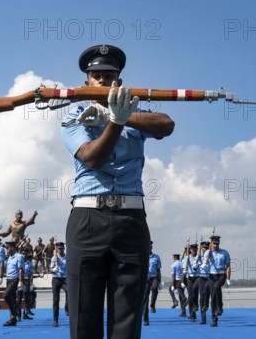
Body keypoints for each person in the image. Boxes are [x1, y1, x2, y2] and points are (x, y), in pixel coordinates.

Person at [60, 44, 175, 339]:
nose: (103, 80)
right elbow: (92, 157)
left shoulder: (132, 110)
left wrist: (121, 115)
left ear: (119, 82)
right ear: (87, 82)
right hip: (88, 217)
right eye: (96, 75)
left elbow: (166, 124)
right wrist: (115, 122)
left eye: (109, 75)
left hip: (130, 218)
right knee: (83, 314)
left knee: (128, 316)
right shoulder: (73, 115)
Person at [203, 235, 231, 327]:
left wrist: (228, 278)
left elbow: (228, 266)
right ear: (211, 243)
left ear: (219, 243)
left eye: (217, 243)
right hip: (211, 276)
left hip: (221, 275)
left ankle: (220, 307)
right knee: (213, 298)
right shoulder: (207, 253)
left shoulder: (225, 252)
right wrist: (205, 262)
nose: (215, 244)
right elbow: (205, 264)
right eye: (214, 243)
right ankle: (214, 319)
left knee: (216, 287)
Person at [2, 241, 23, 326]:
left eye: (7, 248)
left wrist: (20, 282)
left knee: (6, 295)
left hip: (14, 280)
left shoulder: (19, 257)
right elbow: (5, 268)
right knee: (13, 299)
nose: (6, 249)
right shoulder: (9, 257)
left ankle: (15, 311)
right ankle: (13, 319)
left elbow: (20, 270)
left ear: (12, 248)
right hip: (8, 279)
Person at [142, 241, 161, 326]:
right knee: (144, 300)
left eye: (149, 247)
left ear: (151, 248)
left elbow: (158, 270)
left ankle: (152, 305)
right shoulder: (141, 257)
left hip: (154, 277)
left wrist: (159, 281)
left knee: (154, 288)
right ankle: (146, 320)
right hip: (145, 279)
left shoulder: (156, 257)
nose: (148, 248)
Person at [50, 241, 69, 327]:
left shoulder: (68, 258)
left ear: (64, 249)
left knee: (69, 292)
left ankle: (67, 308)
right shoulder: (54, 258)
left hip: (65, 279)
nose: (60, 250)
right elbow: (50, 269)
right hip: (56, 279)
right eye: (58, 249)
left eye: (61, 248)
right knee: (55, 300)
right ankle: (55, 319)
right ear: (56, 249)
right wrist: (53, 269)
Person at [183, 244, 200, 322]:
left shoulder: (199, 257)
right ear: (190, 250)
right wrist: (183, 281)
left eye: (195, 250)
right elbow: (184, 269)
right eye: (193, 250)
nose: (194, 251)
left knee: (195, 291)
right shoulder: (187, 258)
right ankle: (192, 315)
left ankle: (196, 305)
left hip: (197, 277)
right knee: (190, 296)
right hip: (189, 278)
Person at [18, 249, 35, 320]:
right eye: (23, 254)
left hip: (26, 280)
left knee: (26, 296)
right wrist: (19, 282)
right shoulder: (18, 261)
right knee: (18, 299)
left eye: (25, 254)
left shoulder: (30, 263)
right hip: (19, 280)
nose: (24, 255)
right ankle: (18, 316)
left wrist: (31, 284)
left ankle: (25, 313)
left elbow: (31, 274)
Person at [197, 241, 211, 325]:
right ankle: (203, 318)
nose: (205, 249)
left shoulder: (210, 256)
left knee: (208, 293)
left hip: (209, 277)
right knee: (201, 297)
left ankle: (214, 316)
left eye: (206, 247)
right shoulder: (199, 257)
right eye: (203, 248)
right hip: (201, 277)